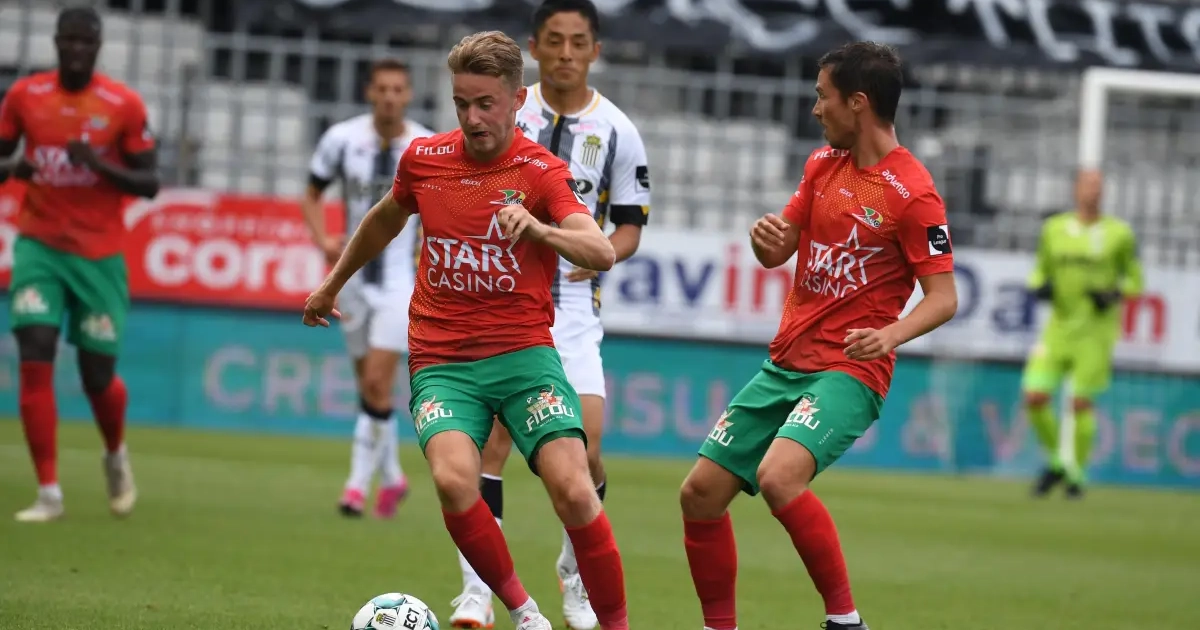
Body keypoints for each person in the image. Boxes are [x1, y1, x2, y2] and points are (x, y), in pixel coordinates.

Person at [302, 30, 630, 630]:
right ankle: (525, 613)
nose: (472, 117)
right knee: (455, 481)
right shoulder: (425, 159)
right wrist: (332, 284)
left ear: (516, 100)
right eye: (461, 103)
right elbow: (384, 218)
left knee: (576, 489)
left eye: (485, 104)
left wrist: (539, 229)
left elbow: (601, 250)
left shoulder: (541, 172)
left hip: (524, 357)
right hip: (443, 360)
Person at [677, 42, 959, 630]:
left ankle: (844, 620)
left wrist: (889, 336)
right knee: (699, 494)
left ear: (857, 103)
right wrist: (766, 241)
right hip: (787, 362)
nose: (814, 109)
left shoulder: (913, 193)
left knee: (779, 476)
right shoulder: (822, 164)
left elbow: (944, 298)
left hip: (850, 369)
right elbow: (780, 248)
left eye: (822, 96)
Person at [446, 2, 651, 628]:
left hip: (574, 307)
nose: (565, 53)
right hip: (503, 299)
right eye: (554, 41)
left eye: (578, 42)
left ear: (595, 50)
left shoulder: (618, 130)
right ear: (534, 48)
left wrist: (602, 252)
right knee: (492, 442)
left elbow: (629, 227)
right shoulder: (504, 107)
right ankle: (478, 590)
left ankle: (575, 575)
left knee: (586, 449)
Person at [0, 6, 159, 523]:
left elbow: (150, 183)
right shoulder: (24, 97)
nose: (75, 50)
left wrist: (98, 164)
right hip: (39, 246)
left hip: (98, 256)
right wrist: (12, 167)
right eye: (67, 40)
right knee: (35, 351)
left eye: (85, 42)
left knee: (97, 376)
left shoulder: (122, 105)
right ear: (55, 42)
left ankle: (114, 453)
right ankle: (48, 492)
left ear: (97, 47)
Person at [302, 58, 434, 519]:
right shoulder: (342, 139)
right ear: (369, 93)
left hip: (401, 281)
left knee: (378, 382)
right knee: (370, 390)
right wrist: (322, 239)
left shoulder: (424, 146)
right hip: (354, 278)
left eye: (398, 89)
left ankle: (355, 488)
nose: (390, 97)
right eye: (383, 89)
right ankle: (394, 479)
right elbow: (312, 194)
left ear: (408, 94)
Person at [1024, 169, 1142, 499]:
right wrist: (1040, 286)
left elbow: (1135, 280)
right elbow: (1039, 270)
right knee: (1035, 396)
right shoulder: (1054, 229)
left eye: (1098, 186)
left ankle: (1076, 473)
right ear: (1075, 189)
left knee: (1079, 403)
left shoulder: (1119, 234)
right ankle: (1058, 462)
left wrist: (1115, 294)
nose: (1093, 191)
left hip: (1095, 332)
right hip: (1058, 329)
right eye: (1088, 185)